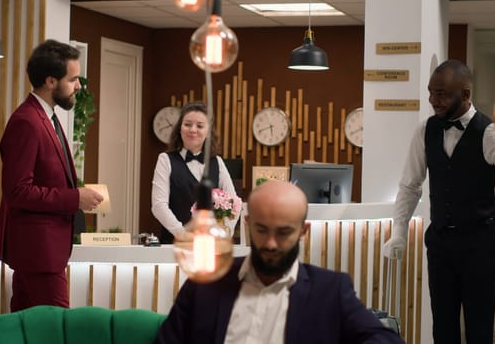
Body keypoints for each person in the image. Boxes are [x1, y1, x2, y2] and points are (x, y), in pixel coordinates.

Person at [383, 59, 495, 343]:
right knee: (443, 325)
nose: (434, 100)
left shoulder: (489, 131)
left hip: (478, 244)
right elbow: (410, 186)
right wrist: (398, 233)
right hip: (440, 243)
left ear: (466, 94)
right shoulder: (425, 130)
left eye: (442, 93)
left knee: (479, 325)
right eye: (431, 92)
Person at [155, 180, 404, 344]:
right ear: (248, 223)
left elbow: (384, 340)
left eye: (283, 232)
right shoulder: (205, 282)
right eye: (262, 230)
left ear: (303, 231)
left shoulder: (330, 291)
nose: (271, 243)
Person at [0, 39, 104, 312]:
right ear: (51, 81)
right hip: (38, 253)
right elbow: (17, 191)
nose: (78, 86)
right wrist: (74, 197)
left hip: (43, 253)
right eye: (73, 79)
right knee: (56, 330)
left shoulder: (46, 118)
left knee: (30, 331)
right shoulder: (26, 122)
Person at [151, 101, 239, 244]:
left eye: (199, 126)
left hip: (210, 246)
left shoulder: (217, 162)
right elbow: (159, 206)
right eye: (187, 124)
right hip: (175, 245)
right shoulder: (165, 160)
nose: (193, 130)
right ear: (180, 128)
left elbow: (235, 203)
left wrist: (222, 234)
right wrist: (184, 234)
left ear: (208, 131)